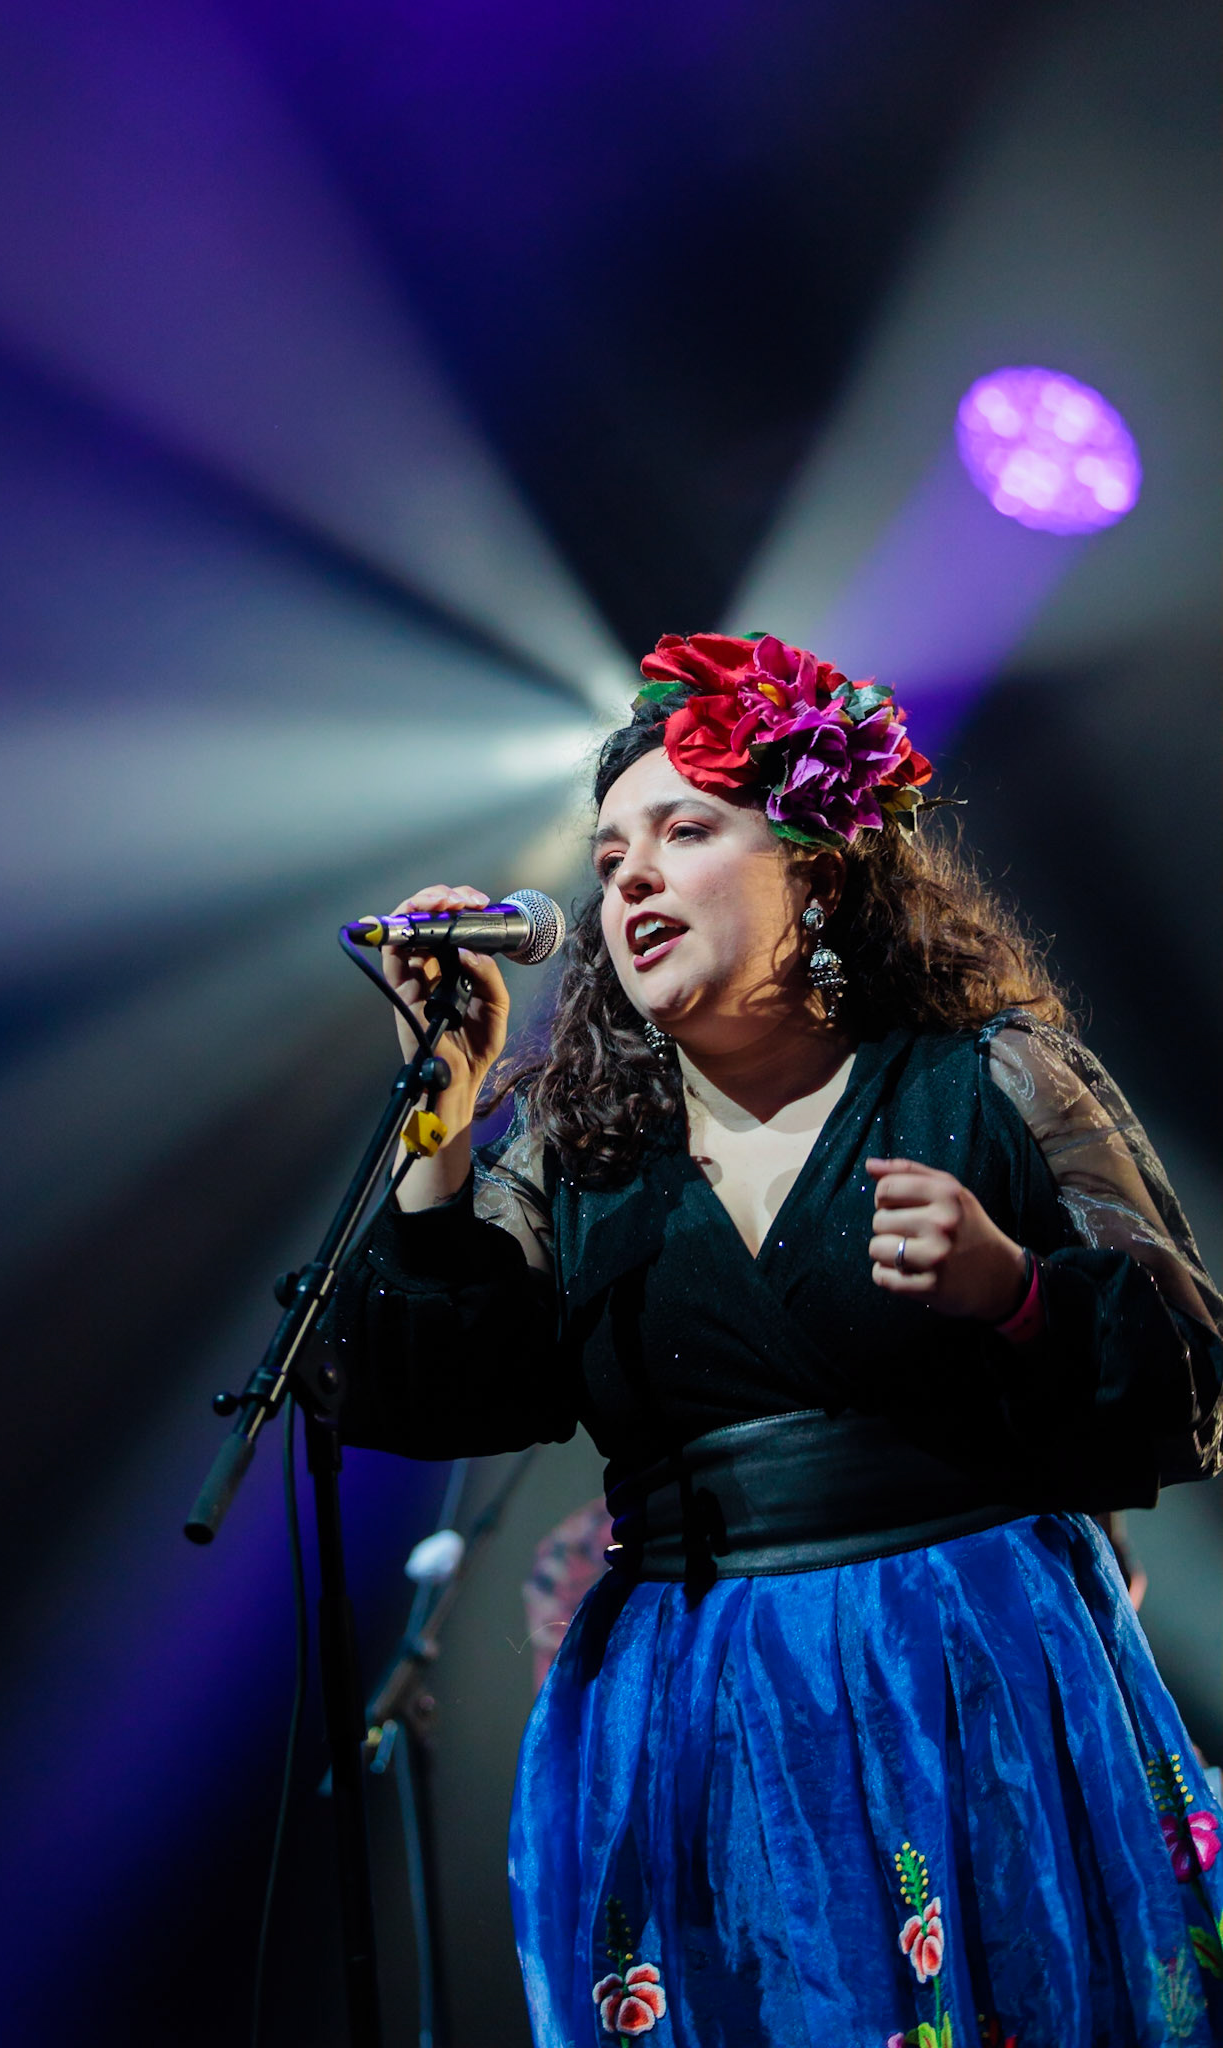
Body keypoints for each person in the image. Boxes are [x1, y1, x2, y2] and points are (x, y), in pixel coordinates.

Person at [316, 631, 1223, 2046]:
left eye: (683, 831)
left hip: (963, 1663)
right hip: (698, 1694)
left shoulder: (986, 1078)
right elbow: (438, 1396)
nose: (628, 876)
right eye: (609, 854)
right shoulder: (573, 1149)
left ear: (819, 869)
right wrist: (441, 1119)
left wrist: (1016, 1292)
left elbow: (1189, 1380)